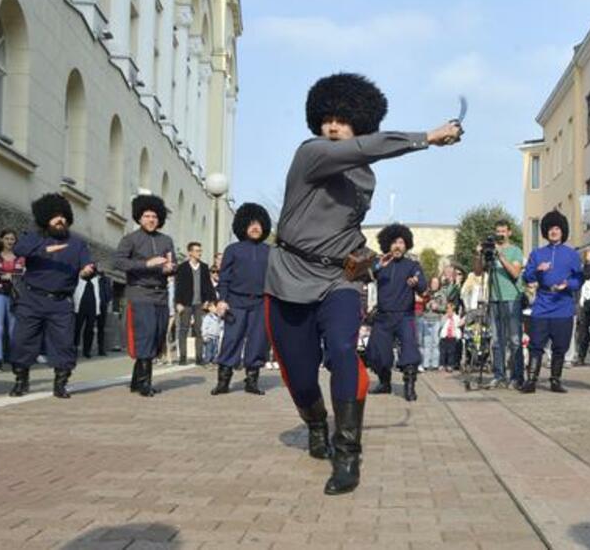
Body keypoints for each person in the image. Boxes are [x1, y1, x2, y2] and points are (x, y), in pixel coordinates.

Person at [264, 72, 461, 495]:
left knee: (341, 351)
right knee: (298, 374)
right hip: (289, 278)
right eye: (327, 118)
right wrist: (427, 137)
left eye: (343, 120)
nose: (333, 126)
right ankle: (316, 423)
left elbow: (350, 211)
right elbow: (363, 149)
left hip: (339, 280)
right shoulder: (312, 153)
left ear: (360, 122)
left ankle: (347, 453)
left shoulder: (365, 177)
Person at [9, 194, 94, 399]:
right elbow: (18, 249)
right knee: (22, 341)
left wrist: (87, 271)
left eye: (63, 216)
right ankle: (21, 380)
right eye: (55, 216)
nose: (60, 220)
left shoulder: (77, 243)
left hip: (61, 302)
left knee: (64, 343)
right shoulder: (34, 237)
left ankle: (61, 383)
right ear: (45, 218)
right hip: (32, 299)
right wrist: (44, 250)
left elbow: (88, 265)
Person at [113, 194, 176, 397]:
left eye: (155, 216)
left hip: (161, 294)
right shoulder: (130, 239)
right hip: (140, 293)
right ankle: (145, 383)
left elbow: (171, 265)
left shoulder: (166, 240)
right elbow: (119, 262)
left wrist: (170, 268)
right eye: (147, 216)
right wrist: (146, 264)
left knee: (157, 336)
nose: (151, 219)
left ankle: (135, 382)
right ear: (139, 218)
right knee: (145, 336)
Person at [211, 203, 271, 396]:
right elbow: (225, 277)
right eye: (251, 224)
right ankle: (223, 381)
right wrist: (222, 300)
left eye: (259, 224)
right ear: (243, 225)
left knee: (258, 341)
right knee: (231, 339)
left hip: (261, 303)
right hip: (235, 302)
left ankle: (252, 381)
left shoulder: (270, 251)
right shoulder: (233, 250)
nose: (255, 228)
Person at [520, 211, 583, 393]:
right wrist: (537, 270)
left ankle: (555, 380)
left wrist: (568, 284)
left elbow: (579, 279)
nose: (554, 232)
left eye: (557, 228)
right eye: (550, 229)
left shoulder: (571, 254)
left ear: (562, 231)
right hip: (542, 304)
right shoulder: (537, 253)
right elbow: (527, 277)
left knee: (560, 346)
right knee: (536, 344)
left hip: (563, 305)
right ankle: (531, 380)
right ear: (545, 232)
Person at [366, 224, 427, 402]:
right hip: (383, 317)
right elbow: (363, 276)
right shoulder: (381, 263)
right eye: (394, 242)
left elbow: (423, 287)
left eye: (401, 242)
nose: (397, 246)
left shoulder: (412, 265)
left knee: (409, 350)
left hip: (405, 316)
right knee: (378, 353)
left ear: (406, 244)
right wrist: (377, 266)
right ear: (387, 244)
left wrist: (416, 282)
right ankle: (384, 383)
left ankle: (409, 386)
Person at [472, 220, 525, 389]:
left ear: (509, 232)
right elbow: (478, 272)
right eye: (498, 231)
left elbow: (515, 273)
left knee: (515, 339)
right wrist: (479, 254)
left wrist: (500, 255)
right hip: (494, 299)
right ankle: (499, 375)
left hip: (512, 298)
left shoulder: (515, 250)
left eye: (503, 231)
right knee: (496, 340)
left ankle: (517, 377)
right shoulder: (490, 252)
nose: (500, 234)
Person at [0, 230, 25, 372]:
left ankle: (14, 360)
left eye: (12, 239)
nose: (9, 241)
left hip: (14, 295)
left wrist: (11, 277)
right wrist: (3, 277)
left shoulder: (20, 258)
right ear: (1, 240)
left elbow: (23, 277)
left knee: (13, 329)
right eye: (7, 238)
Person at [174, 241, 216, 365]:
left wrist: (209, 300)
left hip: (199, 303)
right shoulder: (182, 267)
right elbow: (178, 286)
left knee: (199, 330)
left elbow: (208, 286)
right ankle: (182, 357)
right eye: (197, 251)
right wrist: (178, 303)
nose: (200, 253)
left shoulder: (204, 267)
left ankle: (199, 357)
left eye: (200, 250)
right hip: (186, 303)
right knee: (183, 329)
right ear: (190, 253)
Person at [72, 266, 102, 359]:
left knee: (89, 330)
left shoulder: (95, 281)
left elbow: (98, 295)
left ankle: (87, 350)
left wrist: (98, 309)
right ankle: (74, 348)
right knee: (77, 328)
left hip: (92, 307)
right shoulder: (79, 279)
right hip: (80, 307)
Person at [420, 277, 444, 371]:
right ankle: (425, 363)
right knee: (426, 343)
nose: (434, 285)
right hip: (426, 319)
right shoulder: (426, 294)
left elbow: (444, 307)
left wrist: (437, 307)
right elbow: (421, 305)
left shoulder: (441, 295)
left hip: (436, 320)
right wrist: (426, 304)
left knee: (435, 343)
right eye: (433, 283)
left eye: (436, 283)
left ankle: (435, 364)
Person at [438, 302, 462, 372]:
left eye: (450, 309)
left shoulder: (456, 317)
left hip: (452, 337)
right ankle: (442, 364)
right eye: (447, 309)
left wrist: (458, 336)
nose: (448, 311)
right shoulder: (444, 317)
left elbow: (458, 326)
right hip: (444, 336)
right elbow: (441, 325)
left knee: (451, 352)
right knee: (443, 352)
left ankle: (450, 365)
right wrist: (446, 317)